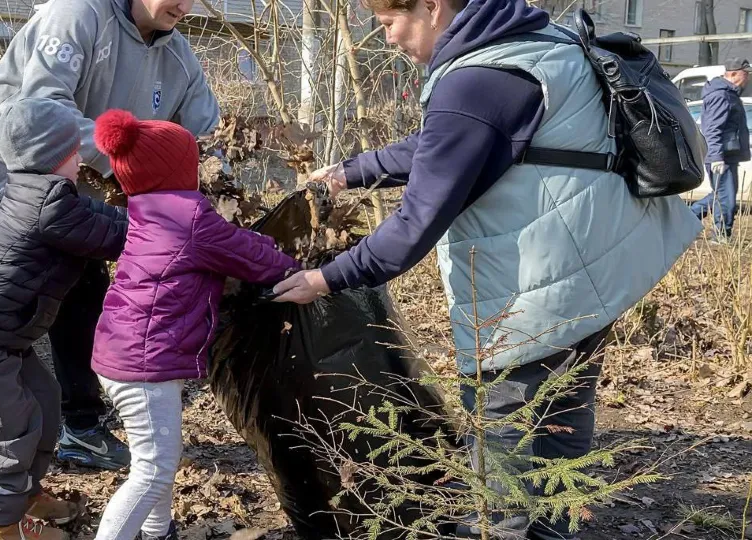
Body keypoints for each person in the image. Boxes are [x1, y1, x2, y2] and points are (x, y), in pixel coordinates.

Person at [272, 0, 701, 537]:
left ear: (431, 8)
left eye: (388, 23)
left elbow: (415, 222)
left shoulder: (478, 79)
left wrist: (324, 279)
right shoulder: (533, 42)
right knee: (557, 425)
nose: (387, 40)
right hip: (594, 273)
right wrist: (351, 172)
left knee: (506, 448)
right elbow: (451, 143)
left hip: (536, 294)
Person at [0, 0, 222, 491]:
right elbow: (44, 105)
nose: (184, 4)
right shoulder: (78, 15)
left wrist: (215, 178)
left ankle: (82, 426)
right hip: (2, 177)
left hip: (80, 192)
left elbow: (205, 134)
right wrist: (132, 155)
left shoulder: (178, 56)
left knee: (84, 301)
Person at [87, 110, 300, 540]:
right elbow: (245, 254)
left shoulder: (147, 210)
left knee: (156, 458)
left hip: (127, 351)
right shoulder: (189, 217)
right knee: (154, 467)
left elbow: (225, 245)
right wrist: (291, 262)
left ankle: (157, 531)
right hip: (144, 362)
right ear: (177, 169)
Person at [0, 98, 128, 540]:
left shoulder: (41, 192)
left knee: (44, 402)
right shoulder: (50, 208)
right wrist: (165, 223)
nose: (81, 161)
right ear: (52, 158)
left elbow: (104, 216)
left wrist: (137, 214)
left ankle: (24, 498)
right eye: (74, 152)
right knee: (11, 432)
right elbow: (117, 235)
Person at [691, 57, 751, 242]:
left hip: (727, 155)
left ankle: (684, 219)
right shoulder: (721, 95)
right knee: (726, 199)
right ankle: (720, 235)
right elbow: (712, 128)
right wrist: (716, 156)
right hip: (721, 156)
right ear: (733, 74)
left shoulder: (729, 93)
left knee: (720, 195)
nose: (747, 78)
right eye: (745, 74)